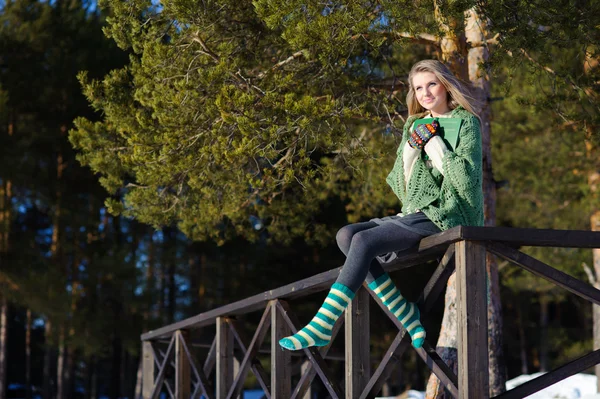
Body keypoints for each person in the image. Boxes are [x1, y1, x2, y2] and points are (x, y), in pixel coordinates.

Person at [278, 59, 484, 351]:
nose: (425, 93)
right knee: (346, 235)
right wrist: (412, 150)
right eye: (418, 88)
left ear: (445, 85)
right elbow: (401, 185)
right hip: (417, 211)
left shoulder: (466, 122)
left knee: (363, 240)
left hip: (451, 214)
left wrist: (434, 144)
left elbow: (465, 181)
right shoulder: (415, 124)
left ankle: (322, 325)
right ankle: (406, 314)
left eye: (431, 84)